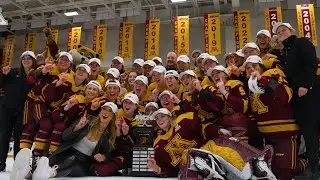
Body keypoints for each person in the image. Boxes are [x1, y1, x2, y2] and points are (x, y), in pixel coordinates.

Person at [11, 102, 121, 179]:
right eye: (104, 109)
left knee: (71, 161)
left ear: (113, 116)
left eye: (109, 111)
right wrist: (77, 127)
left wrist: (103, 157)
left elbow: (108, 154)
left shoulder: (109, 135)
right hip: (67, 150)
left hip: (83, 162)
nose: (105, 113)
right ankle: (27, 173)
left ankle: (50, 173)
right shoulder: (87, 120)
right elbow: (65, 137)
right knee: (50, 161)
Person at [244, 55, 306, 179]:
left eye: (254, 66)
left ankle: (306, 161)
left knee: (283, 171)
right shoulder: (251, 87)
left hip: (284, 135)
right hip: (266, 138)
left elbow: (284, 96)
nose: (251, 69)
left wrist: (263, 80)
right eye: (247, 68)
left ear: (261, 67)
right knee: (271, 171)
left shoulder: (273, 74)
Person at [273, 22, 320, 179]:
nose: (281, 33)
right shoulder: (284, 52)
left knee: (314, 129)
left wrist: (305, 85)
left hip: (310, 94)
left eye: (284, 30)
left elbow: (311, 62)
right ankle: (314, 166)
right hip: (298, 100)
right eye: (278, 32)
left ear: (291, 30)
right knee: (309, 133)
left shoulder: (302, 42)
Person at [0, 51, 37, 171]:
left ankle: (18, 164)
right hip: (6, 109)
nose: (26, 61)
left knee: (19, 138)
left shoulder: (35, 75)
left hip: (23, 111)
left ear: (33, 61)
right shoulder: (13, 71)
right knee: (4, 135)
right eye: (24, 59)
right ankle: (1, 162)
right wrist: (3, 75)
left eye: (29, 59)